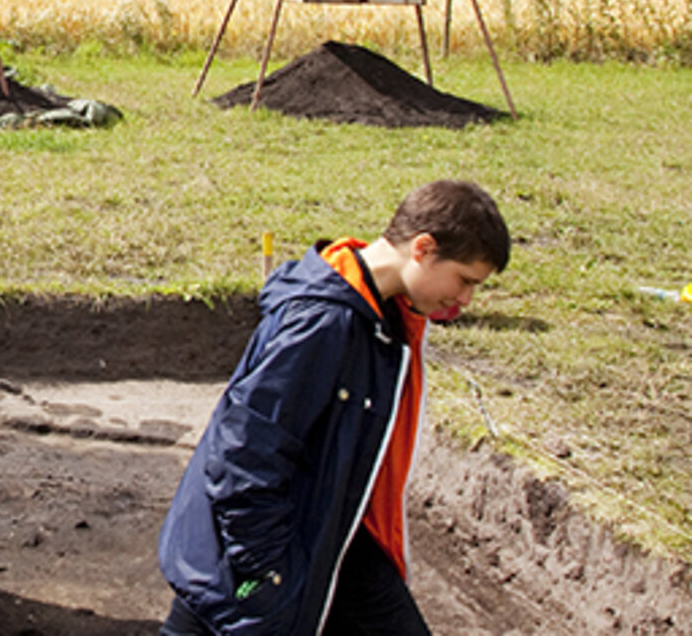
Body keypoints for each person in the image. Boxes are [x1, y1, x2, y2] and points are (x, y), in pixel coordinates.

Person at [156, 179, 512, 635]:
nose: (465, 301)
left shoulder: (384, 315)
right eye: (465, 281)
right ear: (422, 248)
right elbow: (244, 451)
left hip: (338, 539)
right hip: (260, 561)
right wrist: (268, 574)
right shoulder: (324, 322)